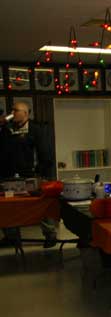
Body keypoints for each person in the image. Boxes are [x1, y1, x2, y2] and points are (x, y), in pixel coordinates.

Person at [0, 101, 58, 247]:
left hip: (32, 174)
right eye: (12, 110)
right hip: (10, 175)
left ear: (26, 113)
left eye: (16, 110)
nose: (13, 113)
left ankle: (50, 235)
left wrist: (41, 173)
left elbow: (45, 153)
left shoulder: (36, 130)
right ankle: (11, 237)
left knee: (42, 205)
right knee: (9, 207)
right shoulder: (7, 129)